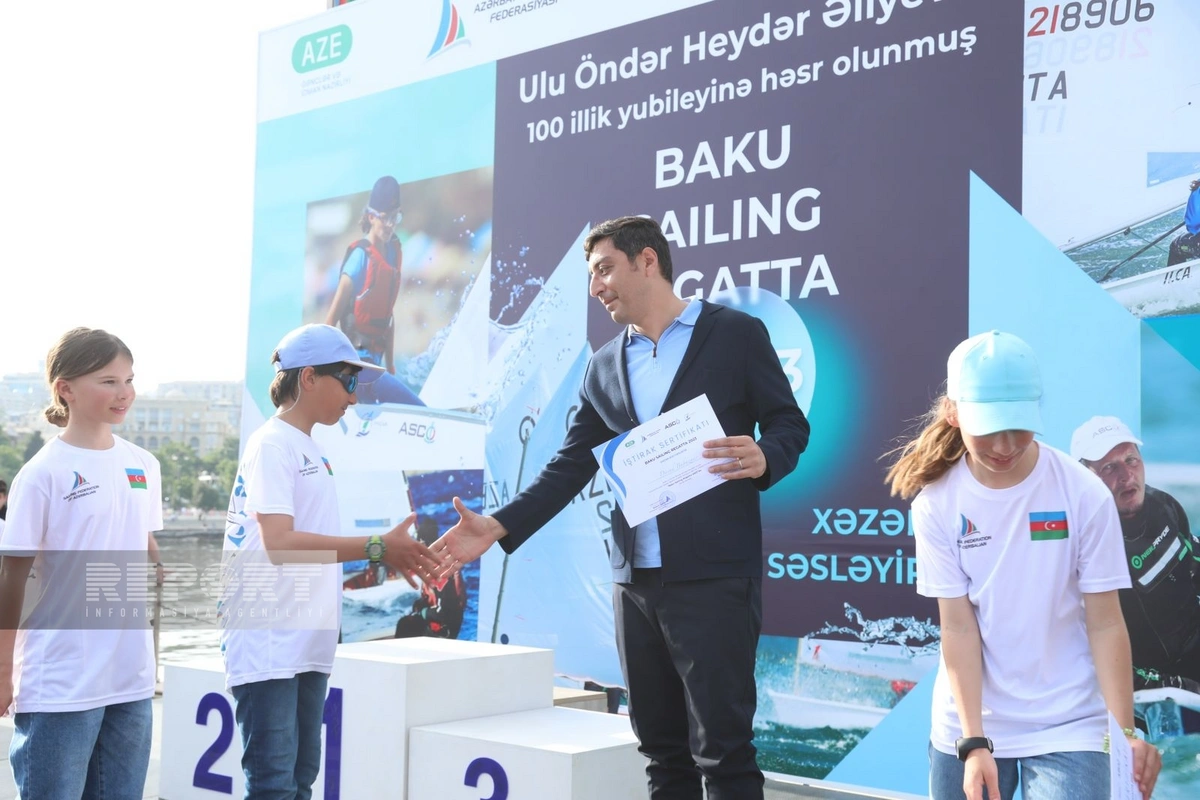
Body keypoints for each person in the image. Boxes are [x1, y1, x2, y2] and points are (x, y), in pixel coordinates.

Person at [432, 216, 810, 799]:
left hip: (714, 578)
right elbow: (569, 465)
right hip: (634, 584)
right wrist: (498, 525)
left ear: (648, 261)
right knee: (661, 753)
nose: (596, 287)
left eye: (605, 269)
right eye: (591, 275)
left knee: (724, 753)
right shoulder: (604, 364)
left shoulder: (735, 334)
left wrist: (765, 455)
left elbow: (789, 423)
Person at [886, 331, 1161, 800]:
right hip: (968, 723)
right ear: (953, 412)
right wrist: (973, 742)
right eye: (989, 426)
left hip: (1071, 722)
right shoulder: (935, 503)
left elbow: (1106, 623)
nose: (1005, 443)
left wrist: (1125, 735)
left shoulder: (1084, 492)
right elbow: (958, 628)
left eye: (1018, 424)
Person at [220, 323, 440, 799]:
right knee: (274, 785)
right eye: (348, 380)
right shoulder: (273, 443)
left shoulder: (309, 447)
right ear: (308, 378)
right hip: (269, 640)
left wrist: (383, 550)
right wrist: (378, 547)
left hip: (304, 638)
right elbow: (279, 542)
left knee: (300, 781)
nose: (355, 396)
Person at [0, 327, 164, 798]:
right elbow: (12, 577)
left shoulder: (144, 464)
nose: (124, 392)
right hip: (61, 680)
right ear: (65, 389)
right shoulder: (42, 473)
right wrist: (3, 670)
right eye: (108, 381)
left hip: (131, 678)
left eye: (129, 379)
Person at [1071, 415, 1200, 692]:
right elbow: (1091, 650)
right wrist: (1173, 687)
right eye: (1109, 467)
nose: (1127, 476)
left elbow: (1195, 558)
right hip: (1155, 684)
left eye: (1131, 460)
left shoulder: (1163, 506)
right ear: (1085, 478)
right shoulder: (1083, 548)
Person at [324, 175, 425, 407]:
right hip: (356, 368)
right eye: (385, 217)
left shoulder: (392, 254)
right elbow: (330, 322)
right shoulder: (360, 258)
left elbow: (387, 317)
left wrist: (390, 365)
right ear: (371, 217)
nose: (390, 224)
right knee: (418, 409)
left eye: (395, 217)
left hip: (375, 367)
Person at [1167, 178, 1200, 267]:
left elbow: (1192, 222)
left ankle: (1174, 275)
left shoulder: (1197, 187)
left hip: (1197, 245)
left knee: (1176, 247)